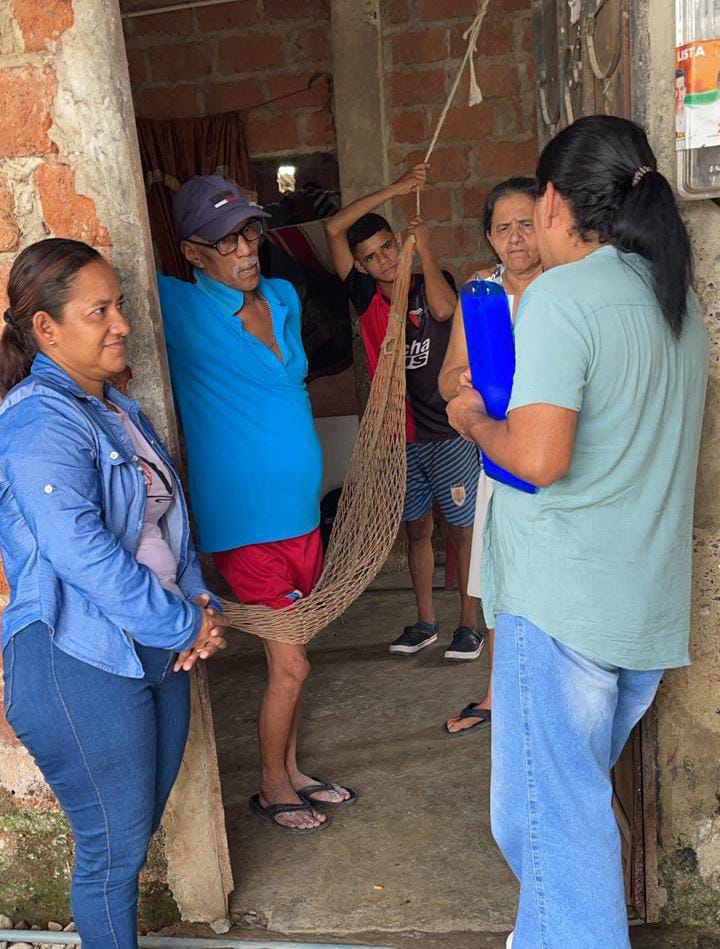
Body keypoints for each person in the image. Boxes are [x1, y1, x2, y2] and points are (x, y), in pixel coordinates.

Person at [446, 115, 708, 948]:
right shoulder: (676, 298)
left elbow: (537, 456)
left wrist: (471, 417)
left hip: (564, 606)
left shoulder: (563, 295)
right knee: (556, 813)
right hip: (640, 609)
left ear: (554, 202)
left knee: (553, 827)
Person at [0, 238, 228, 949]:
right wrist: (181, 622)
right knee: (111, 853)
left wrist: (200, 603)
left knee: (129, 836)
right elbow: (81, 552)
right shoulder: (38, 419)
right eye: (99, 311)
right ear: (46, 328)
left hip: (152, 642)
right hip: (77, 655)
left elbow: (168, 524)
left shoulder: (118, 409)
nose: (121, 324)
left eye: (119, 305)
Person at [157, 175, 355, 835]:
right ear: (192, 252)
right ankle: (272, 787)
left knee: (291, 660)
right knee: (291, 661)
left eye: (249, 233)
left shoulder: (281, 296)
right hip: (245, 530)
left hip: (301, 519)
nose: (244, 250)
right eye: (225, 241)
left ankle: (292, 770)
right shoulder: (178, 307)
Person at [325, 165, 483, 660]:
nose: (383, 261)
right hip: (401, 435)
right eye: (370, 258)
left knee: (461, 531)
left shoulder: (430, 281)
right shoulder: (364, 296)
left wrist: (425, 249)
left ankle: (470, 625)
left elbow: (444, 310)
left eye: (387, 248)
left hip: (449, 431)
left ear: (399, 243)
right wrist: (395, 188)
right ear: (361, 266)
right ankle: (425, 622)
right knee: (417, 530)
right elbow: (333, 228)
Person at [439, 177, 542, 736]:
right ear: (489, 236)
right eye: (503, 228)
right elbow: (447, 377)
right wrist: (463, 382)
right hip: (498, 453)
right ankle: (499, 693)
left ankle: (543, 693)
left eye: (527, 223)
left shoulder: (565, 286)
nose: (516, 237)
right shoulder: (480, 294)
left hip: (552, 452)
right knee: (500, 577)